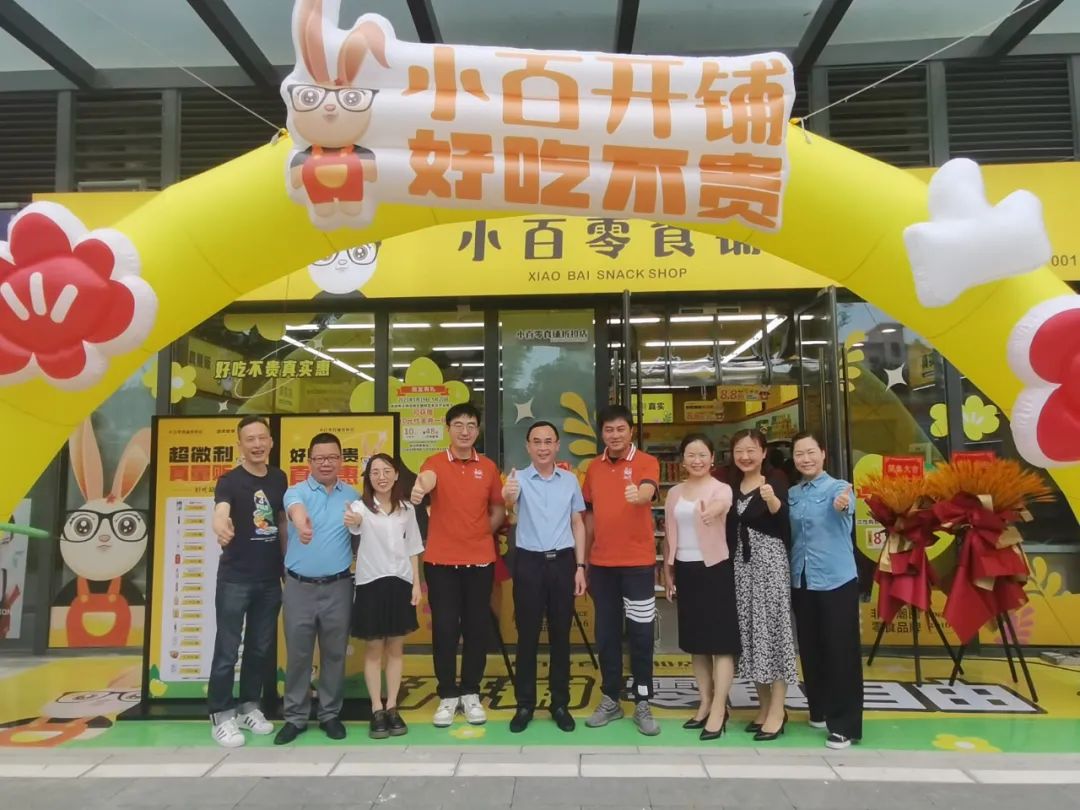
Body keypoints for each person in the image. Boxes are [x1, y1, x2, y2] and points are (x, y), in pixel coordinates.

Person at [410, 403, 505, 727]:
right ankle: (448, 695)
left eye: (471, 425)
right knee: (445, 629)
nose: (465, 431)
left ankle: (471, 692)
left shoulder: (488, 467)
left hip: (480, 561)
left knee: (477, 628)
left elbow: (498, 509)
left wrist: (480, 532)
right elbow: (424, 484)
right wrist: (420, 488)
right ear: (448, 428)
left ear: (478, 430)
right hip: (441, 562)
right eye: (459, 425)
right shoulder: (434, 463)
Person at [502, 421, 587, 734]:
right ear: (528, 447)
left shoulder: (570, 480)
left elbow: (578, 523)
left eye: (548, 441)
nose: (542, 447)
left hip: (563, 562)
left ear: (557, 445)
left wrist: (581, 566)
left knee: (561, 636)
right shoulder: (518, 479)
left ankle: (560, 703)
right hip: (529, 563)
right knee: (527, 636)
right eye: (536, 442)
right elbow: (509, 508)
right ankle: (525, 704)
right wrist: (508, 497)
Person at [207, 416, 287, 748]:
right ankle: (221, 715)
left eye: (262, 438)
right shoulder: (229, 481)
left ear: (270, 442)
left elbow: (281, 522)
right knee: (227, 649)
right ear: (239, 444)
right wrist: (220, 525)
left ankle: (248, 707)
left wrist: (286, 567)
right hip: (235, 579)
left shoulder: (279, 478)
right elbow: (220, 511)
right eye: (250, 439)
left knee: (259, 648)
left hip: (269, 579)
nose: (257, 444)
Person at [582, 404, 662, 736]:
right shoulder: (593, 468)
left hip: (638, 566)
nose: (615, 435)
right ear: (601, 433)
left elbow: (647, 490)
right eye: (609, 429)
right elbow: (588, 517)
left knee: (642, 635)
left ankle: (643, 700)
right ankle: (611, 698)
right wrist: (584, 561)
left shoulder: (646, 461)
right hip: (602, 567)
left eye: (620, 429)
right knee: (607, 635)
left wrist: (638, 495)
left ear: (631, 431)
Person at [274, 432, 358, 744]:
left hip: (339, 586)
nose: (326, 463)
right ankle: (295, 717)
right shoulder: (296, 491)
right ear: (309, 461)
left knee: (335, 654)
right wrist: (301, 524)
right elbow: (294, 508)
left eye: (332, 457)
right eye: (319, 458)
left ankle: (329, 714)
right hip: (299, 587)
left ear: (341, 460)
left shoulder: (352, 495)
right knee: (298, 654)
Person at [788, 431, 862, 750]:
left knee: (840, 651)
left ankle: (845, 725)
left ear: (823, 454)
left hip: (836, 580)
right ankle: (818, 708)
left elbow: (846, 507)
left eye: (810, 452)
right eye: (799, 454)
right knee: (810, 646)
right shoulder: (793, 493)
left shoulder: (839, 488)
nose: (805, 459)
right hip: (802, 579)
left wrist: (843, 505)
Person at [663, 433, 739, 740]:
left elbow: (723, 504)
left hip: (715, 570)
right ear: (683, 460)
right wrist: (668, 571)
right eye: (691, 455)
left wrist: (713, 511)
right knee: (696, 643)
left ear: (712, 458)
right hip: (686, 570)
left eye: (702, 455)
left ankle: (719, 708)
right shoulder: (674, 493)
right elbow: (670, 534)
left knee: (721, 643)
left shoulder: (721, 489)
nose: (697, 460)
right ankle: (705, 702)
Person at [345, 453, 423, 740]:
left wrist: (416, 584)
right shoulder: (360, 507)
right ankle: (376, 708)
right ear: (368, 477)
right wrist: (354, 519)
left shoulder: (406, 509)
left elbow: (413, 547)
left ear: (396, 474)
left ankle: (392, 707)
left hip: (400, 582)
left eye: (386, 471)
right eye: (375, 472)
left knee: (396, 649)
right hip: (371, 584)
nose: (381, 477)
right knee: (374, 649)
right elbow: (353, 523)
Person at [726, 429, 797, 742]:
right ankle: (764, 705)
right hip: (742, 567)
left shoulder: (775, 480)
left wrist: (773, 502)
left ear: (764, 452)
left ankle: (778, 710)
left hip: (770, 564)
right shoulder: (732, 485)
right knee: (751, 635)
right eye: (739, 450)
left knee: (774, 633)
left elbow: (785, 523)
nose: (745, 456)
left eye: (751, 450)